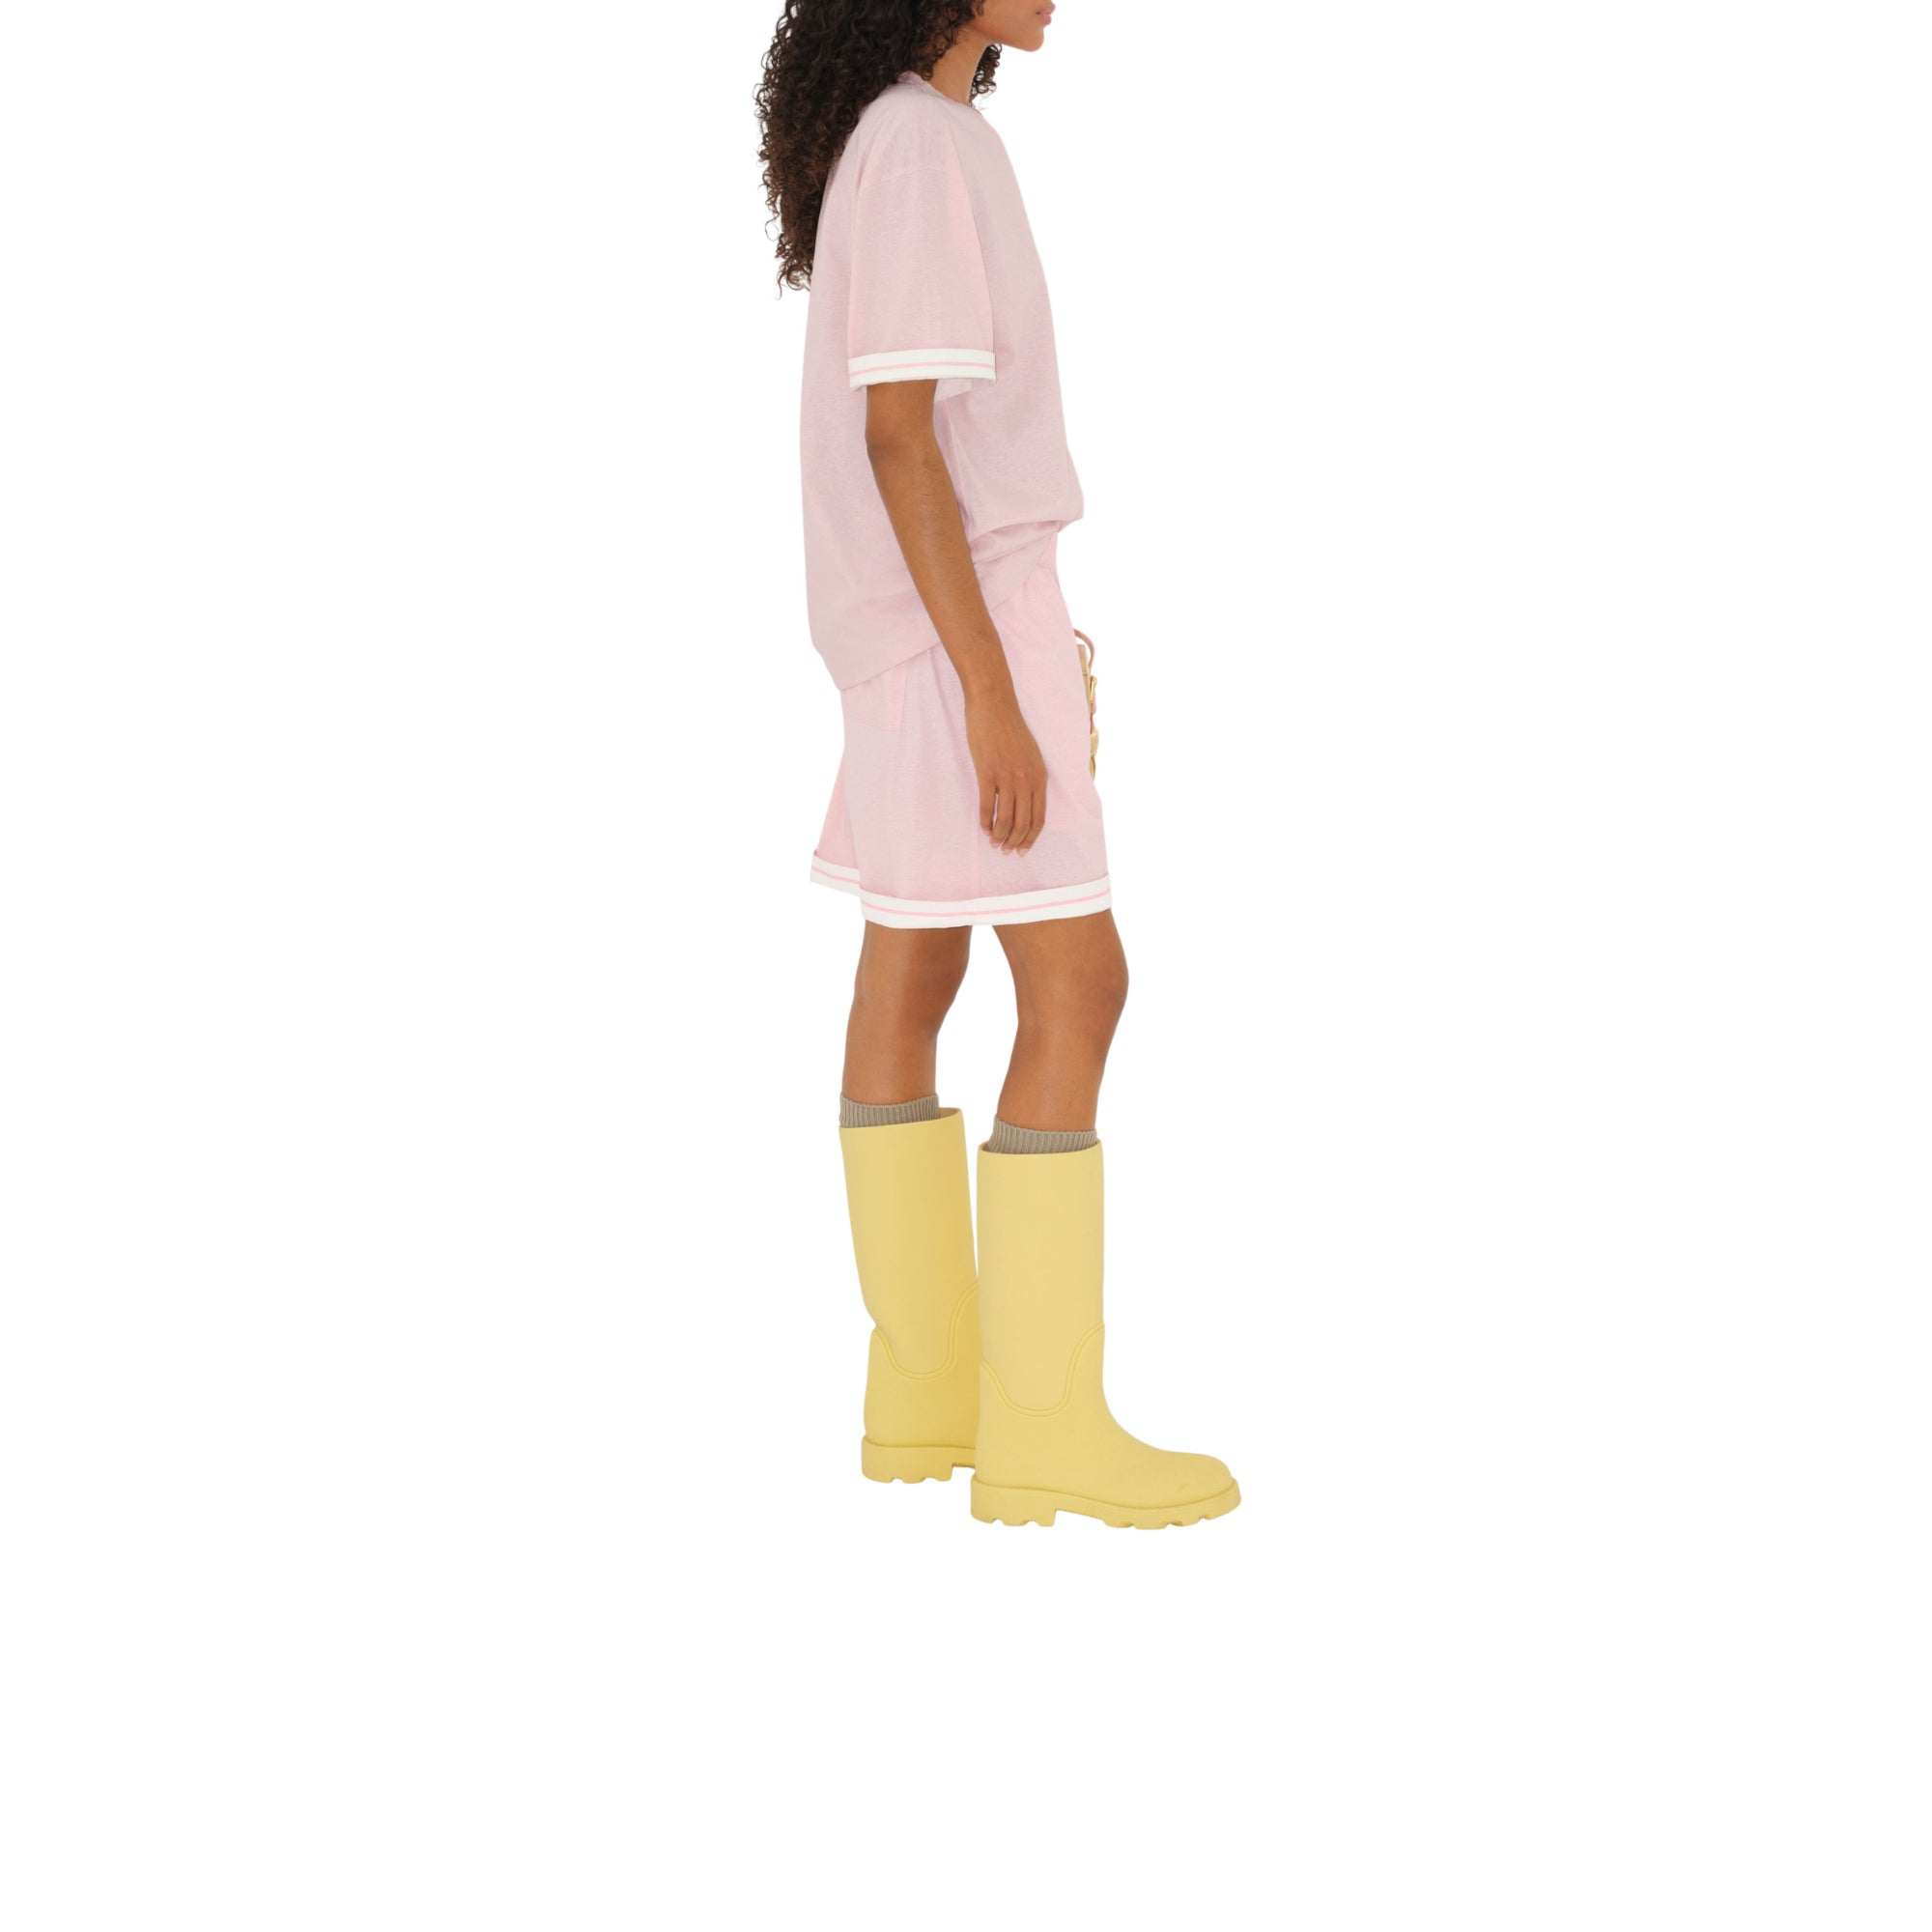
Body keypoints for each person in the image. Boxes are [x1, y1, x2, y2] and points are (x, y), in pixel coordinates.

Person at [757, 0, 1238, 1528]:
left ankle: (924, 1394)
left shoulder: (911, 136)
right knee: (1078, 982)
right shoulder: (920, 143)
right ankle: (1040, 1423)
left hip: (922, 628)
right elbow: (901, 436)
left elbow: (911, 435)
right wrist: (992, 684)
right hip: (956, 627)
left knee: (915, 969)